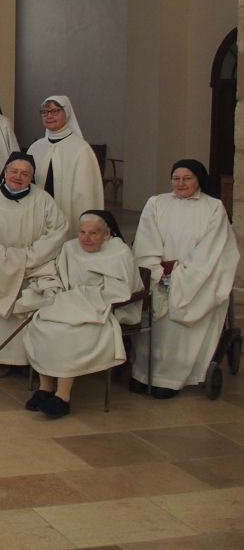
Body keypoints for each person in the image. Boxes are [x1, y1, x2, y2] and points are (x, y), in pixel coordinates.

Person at [131, 160, 240, 398]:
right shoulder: (157, 203)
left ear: (199, 179)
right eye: (176, 178)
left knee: (177, 327)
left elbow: (212, 249)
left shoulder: (213, 207)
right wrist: (158, 271)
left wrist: (183, 276)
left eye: (187, 178)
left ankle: (171, 379)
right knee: (155, 325)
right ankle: (143, 374)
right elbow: (146, 239)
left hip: (196, 279)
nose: (180, 183)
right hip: (159, 274)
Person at [20, 211, 142, 418]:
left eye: (93, 233)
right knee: (42, 323)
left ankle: (63, 396)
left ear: (107, 234)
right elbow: (57, 274)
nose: (86, 238)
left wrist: (83, 297)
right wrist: (51, 287)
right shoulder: (70, 248)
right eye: (82, 232)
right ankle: (45, 388)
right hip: (68, 303)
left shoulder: (119, 252)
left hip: (99, 307)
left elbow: (120, 291)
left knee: (68, 332)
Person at [0, 152, 68, 374]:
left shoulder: (43, 199)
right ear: (5, 172)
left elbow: (58, 231)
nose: (18, 177)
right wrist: (4, 258)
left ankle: (27, 360)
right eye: (14, 171)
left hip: (33, 266)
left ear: (31, 177)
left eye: (25, 173)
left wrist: (27, 258)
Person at [26, 95, 104, 239]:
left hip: (69, 214)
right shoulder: (36, 147)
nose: (49, 116)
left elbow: (86, 194)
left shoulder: (81, 149)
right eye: (45, 112)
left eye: (55, 111)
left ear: (66, 113)